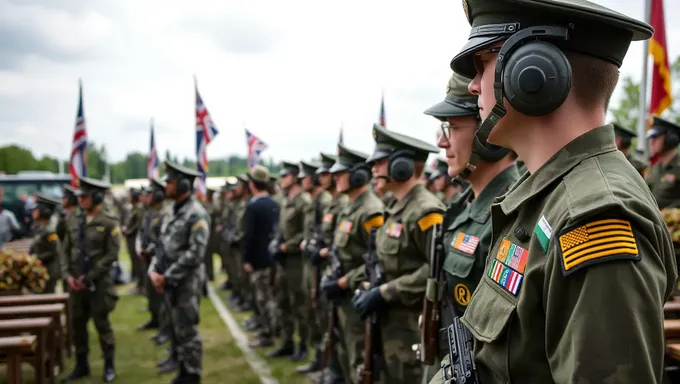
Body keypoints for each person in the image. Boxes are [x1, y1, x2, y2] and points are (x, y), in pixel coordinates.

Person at [441, 1, 677, 382]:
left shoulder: (594, 215)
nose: (472, 85)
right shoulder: (548, 196)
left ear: (531, 72)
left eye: (482, 63)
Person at [420, 72, 520, 383]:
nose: (441, 141)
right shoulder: (462, 206)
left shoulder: (512, 213)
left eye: (451, 127)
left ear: (487, 134)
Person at [353, 123, 445, 383]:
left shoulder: (426, 211)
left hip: (411, 326)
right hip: (391, 321)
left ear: (401, 165)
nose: (372, 169)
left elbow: (435, 270)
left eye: (379, 163)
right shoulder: (394, 207)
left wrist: (385, 292)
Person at [320, 143, 384, 383]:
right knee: (345, 352)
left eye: (340, 174)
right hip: (343, 296)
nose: (335, 178)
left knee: (360, 360)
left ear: (358, 175)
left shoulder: (371, 211)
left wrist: (346, 281)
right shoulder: (349, 208)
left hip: (357, 295)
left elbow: (376, 260)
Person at [149, 161, 209, 384]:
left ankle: (193, 374)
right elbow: (162, 246)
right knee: (176, 327)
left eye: (170, 182)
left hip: (185, 281)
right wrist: (154, 270)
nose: (166, 185)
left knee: (187, 329)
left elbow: (196, 253)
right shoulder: (171, 212)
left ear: (184, 184)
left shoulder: (196, 214)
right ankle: (183, 369)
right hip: (169, 280)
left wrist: (168, 275)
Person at [61, 176, 120, 383]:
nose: (80, 200)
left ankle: (109, 366)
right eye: (79, 196)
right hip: (76, 285)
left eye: (85, 196)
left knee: (102, 326)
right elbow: (65, 250)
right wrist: (68, 275)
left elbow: (112, 255)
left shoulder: (108, 221)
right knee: (77, 326)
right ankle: (81, 365)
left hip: (98, 284)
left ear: (96, 197)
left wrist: (90, 276)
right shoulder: (73, 220)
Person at [267, 160, 312, 359]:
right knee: (282, 302)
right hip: (283, 262)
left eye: (285, 175)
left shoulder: (304, 201)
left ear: (294, 177)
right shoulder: (285, 201)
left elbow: (307, 233)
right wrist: (278, 244)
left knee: (299, 305)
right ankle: (287, 342)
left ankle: (302, 344)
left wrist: (287, 245)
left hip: (297, 262)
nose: (282, 179)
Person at [298, 160, 332, 366]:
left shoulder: (324, 200)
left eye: (305, 177)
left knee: (322, 314)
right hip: (311, 263)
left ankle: (323, 360)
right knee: (313, 311)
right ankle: (318, 356)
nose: (302, 181)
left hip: (322, 265)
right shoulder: (314, 200)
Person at [243, 165, 281, 348]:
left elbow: (249, 235)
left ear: (252, 184)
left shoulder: (253, 206)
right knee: (271, 297)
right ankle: (274, 329)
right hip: (273, 258)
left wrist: (247, 259)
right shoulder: (274, 204)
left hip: (258, 260)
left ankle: (267, 334)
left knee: (263, 298)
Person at [29, 194, 64, 293]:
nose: (33, 212)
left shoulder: (50, 230)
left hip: (48, 271)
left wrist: (36, 258)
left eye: (36, 210)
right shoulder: (39, 226)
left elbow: (54, 250)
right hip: (42, 269)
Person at [646, 116, 680, 209]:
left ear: (671, 139)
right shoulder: (653, 168)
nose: (651, 142)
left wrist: (670, 212)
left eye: (655, 137)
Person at [123, 188, 143, 293]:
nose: (128, 197)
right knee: (134, 261)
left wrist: (128, 231)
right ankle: (139, 282)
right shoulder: (134, 208)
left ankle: (141, 284)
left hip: (134, 238)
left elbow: (137, 225)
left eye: (130, 196)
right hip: (130, 238)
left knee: (137, 262)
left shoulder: (138, 209)